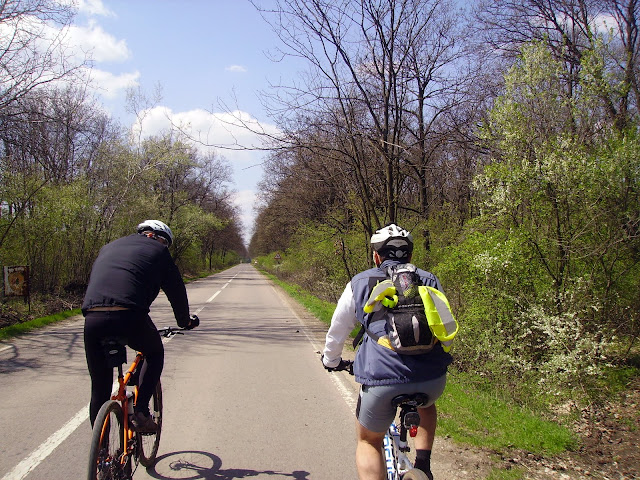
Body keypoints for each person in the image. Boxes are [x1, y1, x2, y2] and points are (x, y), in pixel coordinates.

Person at [321, 224, 452, 480]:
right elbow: (446, 326)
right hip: (432, 379)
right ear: (411, 256)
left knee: (369, 441)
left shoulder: (360, 282)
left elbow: (338, 330)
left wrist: (331, 359)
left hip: (382, 378)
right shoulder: (430, 279)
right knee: (427, 403)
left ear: (376, 256)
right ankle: (423, 466)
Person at [82, 220, 199, 432]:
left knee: (99, 390)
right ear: (161, 239)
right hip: (130, 315)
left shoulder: (109, 247)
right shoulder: (160, 252)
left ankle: (101, 458)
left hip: (92, 317)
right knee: (154, 353)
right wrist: (185, 321)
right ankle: (141, 412)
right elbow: (176, 291)